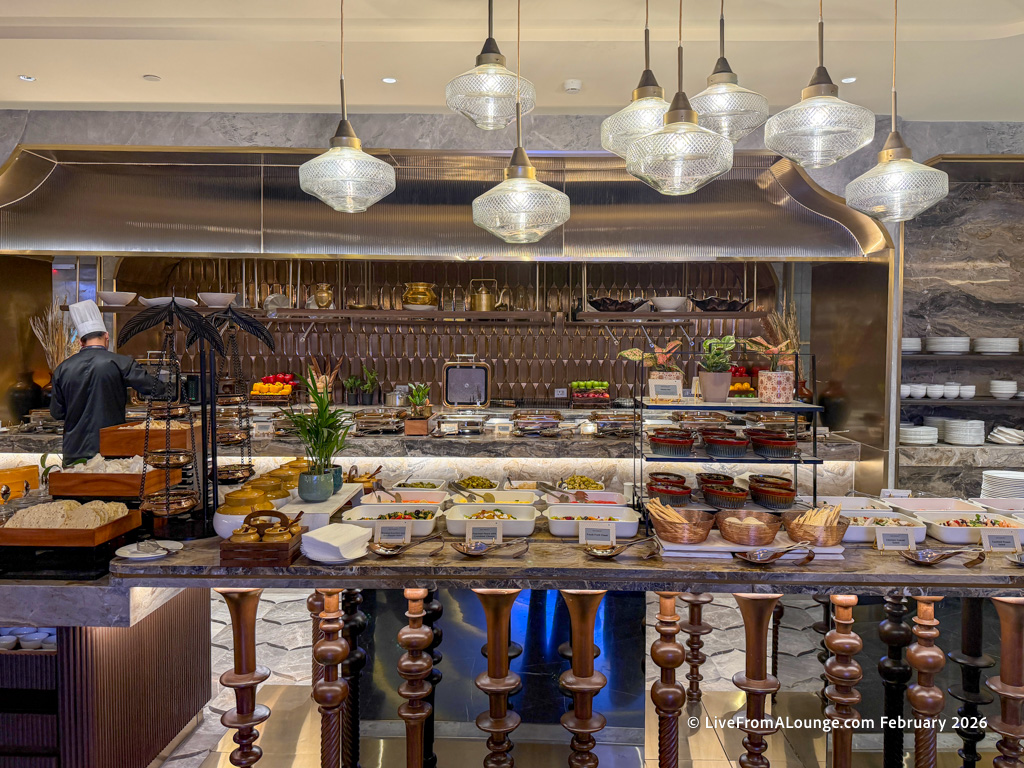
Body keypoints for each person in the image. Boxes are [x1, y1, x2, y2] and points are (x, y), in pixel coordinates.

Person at [50, 300, 164, 462]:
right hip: (110, 451)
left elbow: (57, 413)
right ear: (106, 337)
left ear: (80, 342)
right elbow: (154, 388)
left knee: (75, 487)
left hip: (74, 453)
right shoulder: (121, 363)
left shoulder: (62, 369)